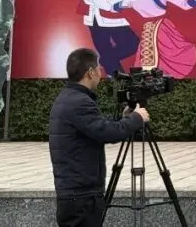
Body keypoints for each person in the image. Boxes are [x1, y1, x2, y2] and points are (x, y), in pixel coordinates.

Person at [49, 47, 149, 227]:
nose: (100, 72)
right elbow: (107, 133)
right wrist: (137, 118)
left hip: (75, 192)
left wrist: (124, 119)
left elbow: (96, 126)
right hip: (81, 196)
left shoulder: (69, 97)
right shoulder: (79, 102)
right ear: (90, 72)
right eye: (98, 68)